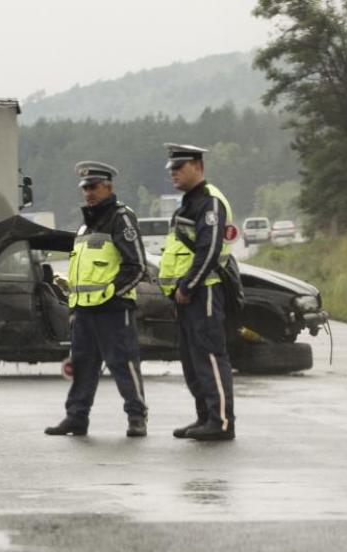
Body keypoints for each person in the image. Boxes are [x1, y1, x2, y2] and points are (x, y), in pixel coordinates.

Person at [45, 161, 149, 437]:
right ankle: (76, 417)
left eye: (93, 187)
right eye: (85, 188)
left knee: (123, 363)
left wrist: (111, 292)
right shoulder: (84, 227)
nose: (88, 193)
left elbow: (137, 266)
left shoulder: (121, 218)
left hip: (114, 309)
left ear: (108, 187)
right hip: (83, 311)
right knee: (82, 365)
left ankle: (136, 417)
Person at [157, 144, 238, 441]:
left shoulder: (210, 202)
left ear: (197, 166)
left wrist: (188, 285)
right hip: (186, 296)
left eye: (179, 168)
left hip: (203, 292)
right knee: (192, 362)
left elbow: (209, 250)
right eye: (171, 170)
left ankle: (221, 422)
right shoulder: (189, 204)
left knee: (210, 357)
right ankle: (205, 417)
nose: (173, 174)